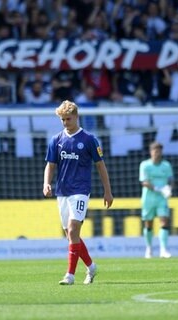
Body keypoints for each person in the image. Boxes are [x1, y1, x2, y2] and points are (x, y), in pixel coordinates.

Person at [43, 100, 113, 285]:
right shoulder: (56, 140)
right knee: (70, 235)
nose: (66, 123)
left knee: (73, 230)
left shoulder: (89, 139)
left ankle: (70, 275)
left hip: (80, 191)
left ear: (76, 116)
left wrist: (108, 191)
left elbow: (100, 165)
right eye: (63, 120)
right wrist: (46, 183)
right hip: (62, 192)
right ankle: (91, 267)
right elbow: (50, 165)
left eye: (68, 119)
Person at [139, 142, 174, 259]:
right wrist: (160, 189)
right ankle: (149, 248)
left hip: (161, 199)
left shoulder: (166, 166)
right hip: (148, 199)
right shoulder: (145, 165)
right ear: (151, 152)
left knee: (164, 221)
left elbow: (170, 179)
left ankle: (163, 249)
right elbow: (144, 182)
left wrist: (169, 188)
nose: (157, 153)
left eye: (159, 151)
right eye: (155, 151)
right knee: (148, 223)